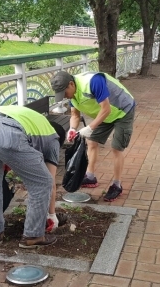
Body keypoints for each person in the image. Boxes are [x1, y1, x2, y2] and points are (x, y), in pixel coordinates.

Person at [0, 105, 66, 248]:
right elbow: (49, 181)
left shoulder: (37, 124)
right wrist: (51, 215)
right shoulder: (54, 139)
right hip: (5, 131)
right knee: (41, 182)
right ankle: (33, 236)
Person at [50, 70, 135, 202]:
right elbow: (75, 115)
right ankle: (90, 176)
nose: (66, 97)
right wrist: (72, 129)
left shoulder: (93, 82)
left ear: (71, 84)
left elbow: (106, 109)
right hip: (105, 115)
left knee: (116, 148)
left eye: (65, 93)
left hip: (122, 110)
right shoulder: (73, 95)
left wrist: (89, 127)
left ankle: (116, 185)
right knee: (91, 141)